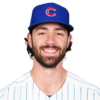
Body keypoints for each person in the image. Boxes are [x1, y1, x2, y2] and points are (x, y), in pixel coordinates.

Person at [0, 2, 100, 100]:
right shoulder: (5, 96)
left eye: (59, 33)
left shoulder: (94, 95)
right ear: (29, 39)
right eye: (42, 33)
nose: (50, 41)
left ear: (69, 40)